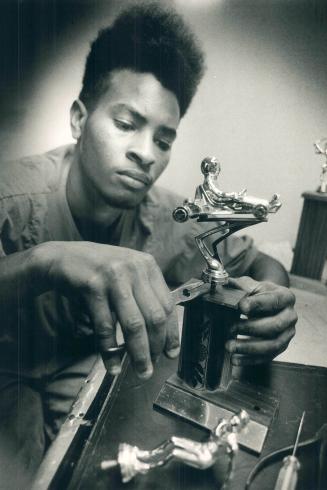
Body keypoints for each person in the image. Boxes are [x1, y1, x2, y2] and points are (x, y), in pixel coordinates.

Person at [0, 3, 297, 488]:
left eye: (164, 140)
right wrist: (46, 261)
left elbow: (262, 264)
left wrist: (272, 304)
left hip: (89, 368)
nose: (145, 153)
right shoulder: (12, 196)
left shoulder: (168, 215)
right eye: (125, 124)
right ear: (79, 119)